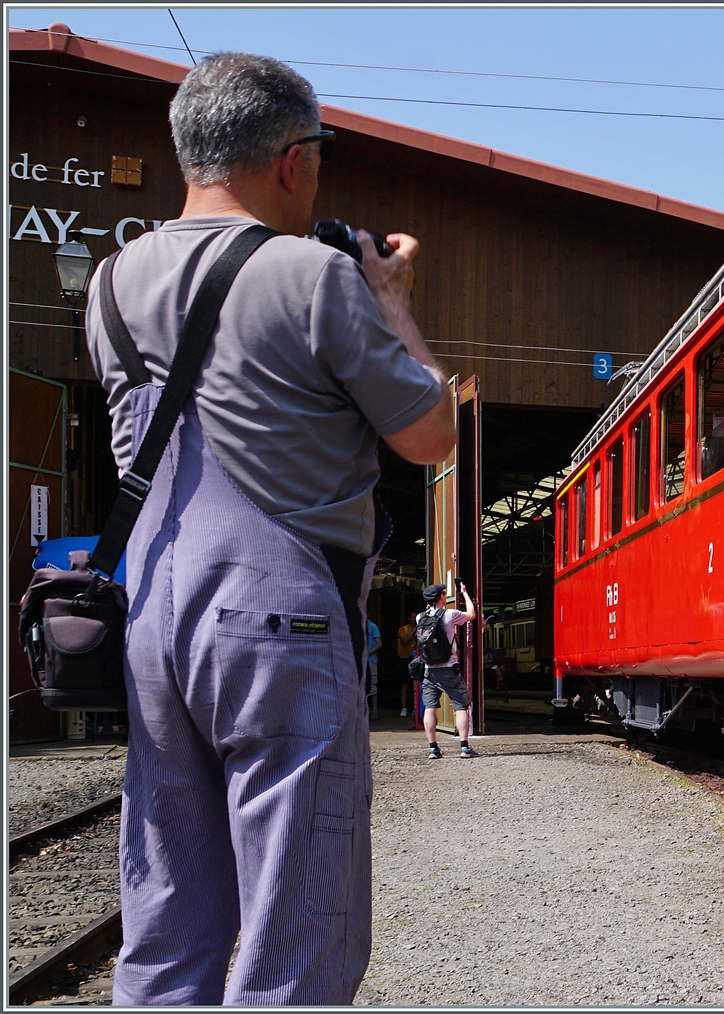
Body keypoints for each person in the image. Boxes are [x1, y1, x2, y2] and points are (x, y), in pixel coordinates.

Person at [85, 53, 456, 1005]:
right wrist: (394, 301)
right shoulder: (310, 274)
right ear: (294, 160)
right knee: (298, 927)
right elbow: (430, 433)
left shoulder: (112, 281)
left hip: (154, 614)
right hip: (279, 614)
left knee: (168, 913)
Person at [418, 581, 478, 759]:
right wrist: (465, 593)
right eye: (443, 594)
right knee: (461, 706)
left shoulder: (420, 618)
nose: (445, 596)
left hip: (430, 669)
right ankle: (464, 747)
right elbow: (472, 615)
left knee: (429, 707)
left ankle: (433, 749)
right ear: (440, 598)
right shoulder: (450, 614)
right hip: (449, 668)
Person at [396, 608, 418, 718]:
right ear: (409, 618)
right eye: (413, 617)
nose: (415, 619)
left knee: (417, 684)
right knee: (405, 684)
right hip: (405, 659)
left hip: (417, 659)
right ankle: (404, 708)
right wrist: (414, 630)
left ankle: (417, 708)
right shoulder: (402, 629)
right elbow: (405, 640)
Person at [366, 617, 383, 719]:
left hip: (371, 660)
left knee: (372, 685)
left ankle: (374, 710)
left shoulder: (372, 626)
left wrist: (368, 652)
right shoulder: (355, 623)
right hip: (359, 661)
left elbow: (379, 643)